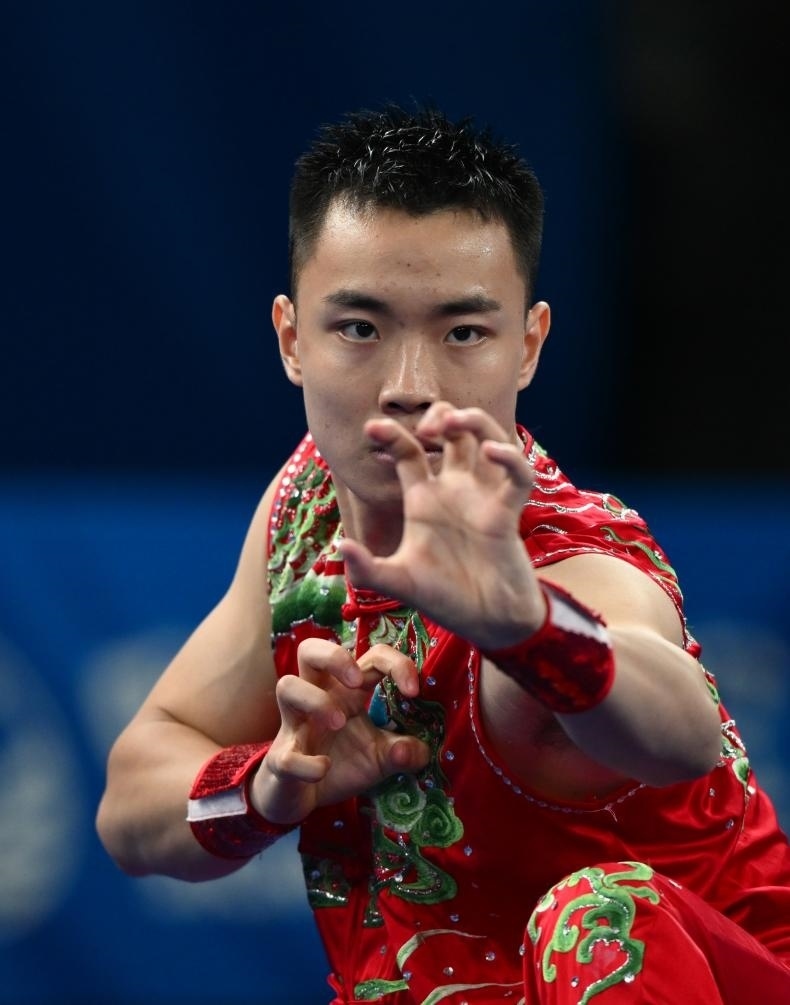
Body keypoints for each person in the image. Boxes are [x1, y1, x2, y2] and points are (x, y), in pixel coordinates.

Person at [96, 103, 790, 1004]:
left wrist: (528, 627)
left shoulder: (571, 559)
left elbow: (683, 733)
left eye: (463, 332)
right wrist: (264, 785)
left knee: (601, 916)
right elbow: (130, 806)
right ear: (292, 339)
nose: (410, 387)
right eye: (360, 328)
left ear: (528, 346)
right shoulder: (306, 505)